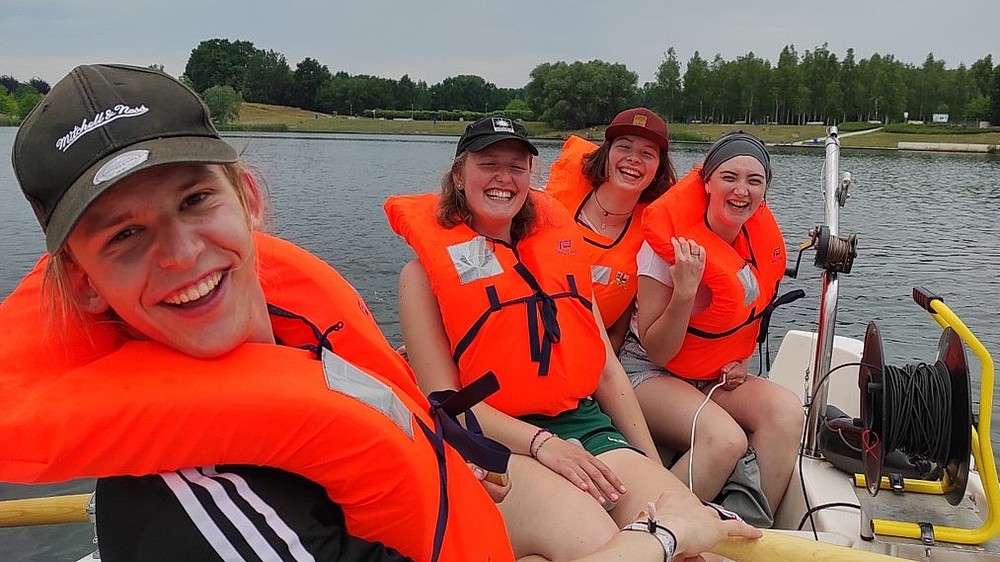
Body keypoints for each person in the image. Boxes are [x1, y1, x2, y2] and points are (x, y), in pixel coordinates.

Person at [0, 66, 759, 562]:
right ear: (84, 282)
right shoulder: (194, 518)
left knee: (698, 533)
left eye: (196, 200)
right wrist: (656, 531)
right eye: (125, 235)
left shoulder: (307, 335)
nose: (178, 254)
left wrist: (452, 467)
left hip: (483, 472)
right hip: (511, 448)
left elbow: (426, 414)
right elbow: (440, 398)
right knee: (648, 536)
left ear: (249, 200)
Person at [386, 116, 758, 561]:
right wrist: (544, 446)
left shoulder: (560, 253)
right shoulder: (420, 278)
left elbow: (606, 369)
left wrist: (655, 470)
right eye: (489, 164)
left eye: (517, 167)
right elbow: (446, 402)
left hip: (582, 425)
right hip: (494, 443)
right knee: (607, 544)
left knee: (690, 539)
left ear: (530, 177)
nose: (504, 178)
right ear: (459, 176)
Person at [619, 132, 804, 524]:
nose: (741, 191)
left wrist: (739, 361)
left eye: (755, 181)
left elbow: (743, 320)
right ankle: (653, 534)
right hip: (649, 371)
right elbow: (658, 350)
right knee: (725, 440)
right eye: (729, 177)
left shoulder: (756, 245)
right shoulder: (665, 246)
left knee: (786, 412)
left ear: (765, 190)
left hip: (710, 375)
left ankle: (742, 535)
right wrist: (683, 294)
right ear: (706, 183)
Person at [546, 108, 676, 352]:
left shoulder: (651, 235)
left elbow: (618, 329)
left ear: (659, 169)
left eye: (647, 154)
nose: (633, 159)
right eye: (624, 147)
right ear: (606, 153)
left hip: (589, 357)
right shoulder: (552, 203)